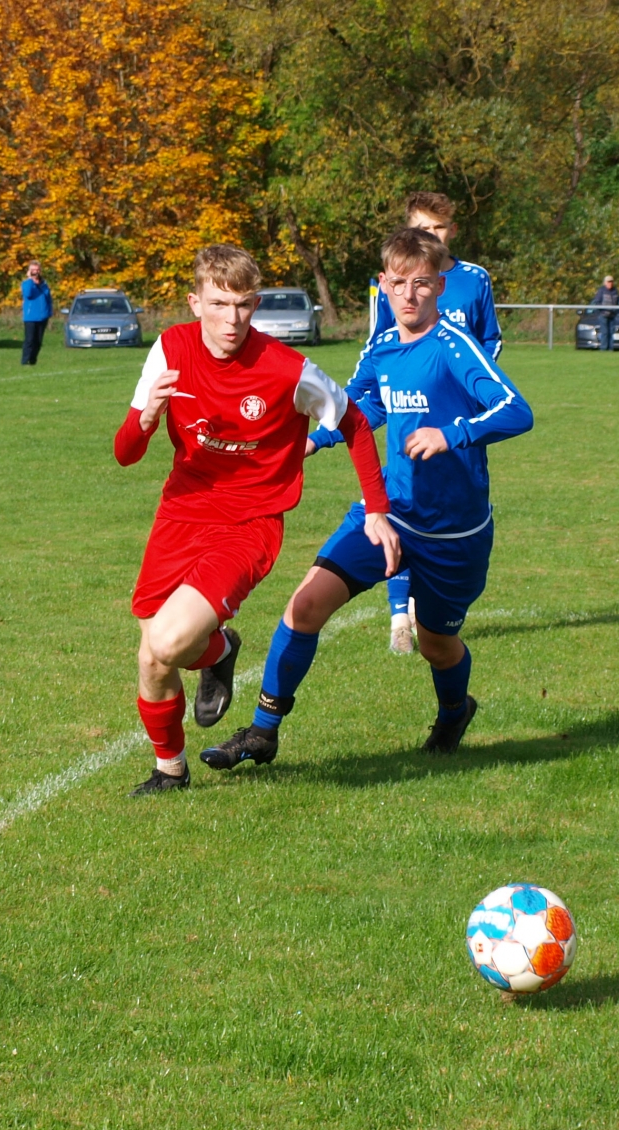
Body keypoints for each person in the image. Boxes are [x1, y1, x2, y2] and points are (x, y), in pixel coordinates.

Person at [201, 226, 533, 774]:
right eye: (398, 283)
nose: (409, 294)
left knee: (437, 646)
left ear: (439, 286)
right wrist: (314, 439)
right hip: (389, 510)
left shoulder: (454, 346)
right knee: (305, 605)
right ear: (383, 284)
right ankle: (262, 732)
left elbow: (516, 410)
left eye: (421, 284)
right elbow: (362, 408)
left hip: (454, 531)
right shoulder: (382, 348)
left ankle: (455, 710)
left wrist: (452, 434)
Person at [112, 244, 387, 796]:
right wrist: (146, 417)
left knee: (166, 643)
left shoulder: (286, 369)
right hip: (181, 513)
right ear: (195, 303)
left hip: (249, 523)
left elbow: (354, 423)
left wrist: (377, 508)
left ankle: (212, 656)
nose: (231, 319)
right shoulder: (170, 349)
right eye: (218, 304)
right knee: (153, 656)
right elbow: (125, 454)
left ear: (255, 304)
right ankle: (172, 766)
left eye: (242, 304)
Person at [369, 192, 501, 656]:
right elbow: (382, 343)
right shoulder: (397, 283)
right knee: (402, 499)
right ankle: (398, 617)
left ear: (452, 231)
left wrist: (473, 388)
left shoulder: (474, 279)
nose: (431, 235)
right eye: (422, 227)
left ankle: (430, 614)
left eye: (438, 228)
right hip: (409, 405)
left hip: (457, 411)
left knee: (447, 499)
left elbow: (489, 339)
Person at [20, 261, 52, 366]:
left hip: (43, 316)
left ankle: (33, 361)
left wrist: (49, 312)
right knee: (29, 340)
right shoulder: (26, 284)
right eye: (33, 270)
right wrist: (30, 279)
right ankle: (25, 361)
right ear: (29, 271)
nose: (35, 272)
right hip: (30, 317)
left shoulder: (44, 284)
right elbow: (28, 294)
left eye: (37, 270)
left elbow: (48, 299)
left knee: (38, 341)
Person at [591, 274, 619, 353]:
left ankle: (611, 348)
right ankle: (603, 348)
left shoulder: (615, 291)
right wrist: (602, 311)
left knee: (611, 332)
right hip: (603, 315)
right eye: (608, 282)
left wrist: (615, 311)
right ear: (605, 283)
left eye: (611, 282)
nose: (610, 283)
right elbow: (597, 302)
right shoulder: (601, 291)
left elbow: (618, 302)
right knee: (605, 332)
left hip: (612, 315)